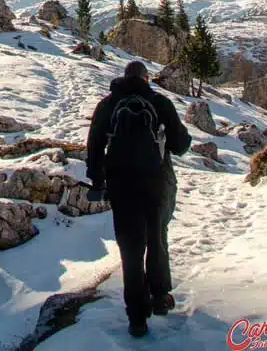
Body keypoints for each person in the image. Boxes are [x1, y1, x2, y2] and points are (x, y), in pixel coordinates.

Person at [86, 59, 191, 338]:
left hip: (121, 183)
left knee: (130, 248)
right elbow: (181, 145)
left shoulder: (109, 104)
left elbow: (95, 143)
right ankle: (159, 297)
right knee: (156, 237)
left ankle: (136, 318)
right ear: (146, 78)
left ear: (124, 77)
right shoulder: (159, 102)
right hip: (155, 181)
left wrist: (97, 180)